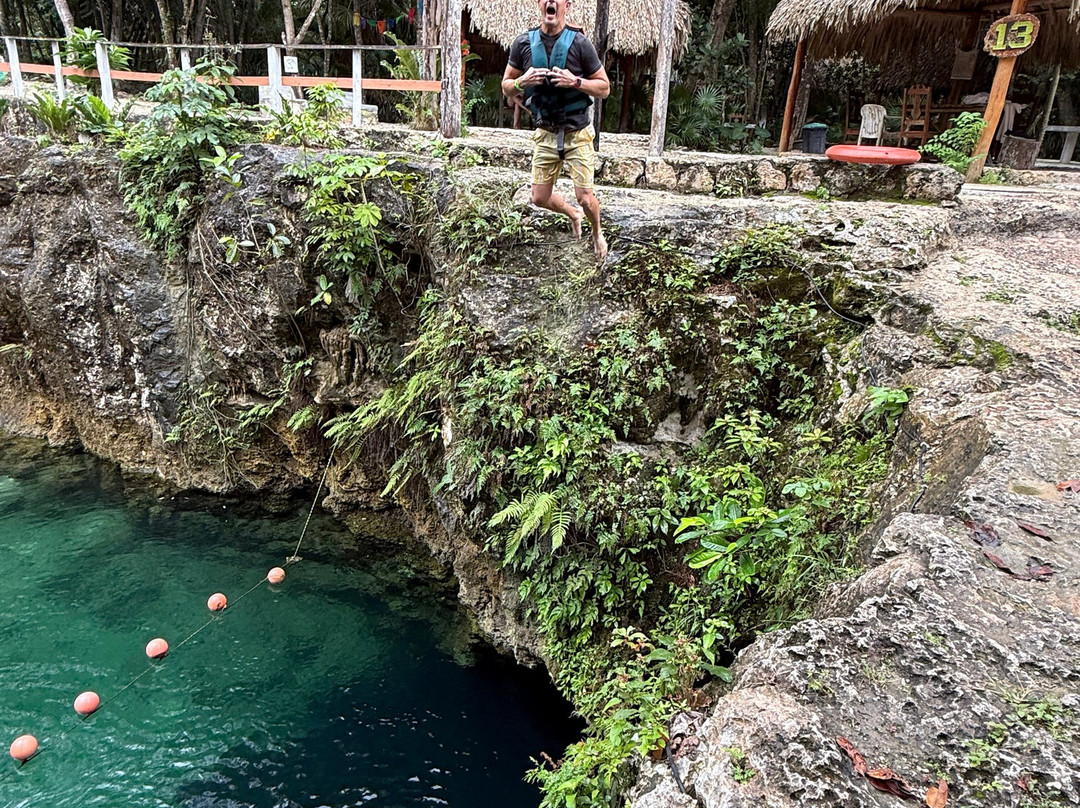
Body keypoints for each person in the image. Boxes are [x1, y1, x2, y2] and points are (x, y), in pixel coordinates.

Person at [502, 0, 610, 259]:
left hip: (577, 132)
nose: (551, 1)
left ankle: (597, 231)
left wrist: (576, 82)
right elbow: (506, 86)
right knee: (539, 198)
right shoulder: (523, 43)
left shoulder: (580, 44)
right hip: (546, 132)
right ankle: (572, 214)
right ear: (539, 4)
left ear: (566, 6)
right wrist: (521, 82)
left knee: (585, 198)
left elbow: (604, 88)